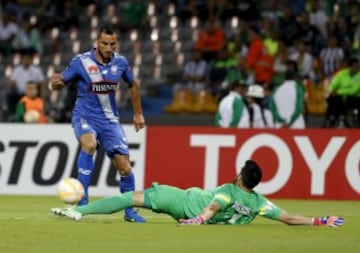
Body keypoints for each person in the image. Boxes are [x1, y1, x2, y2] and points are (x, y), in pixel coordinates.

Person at [51, 160, 344, 228]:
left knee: (130, 198)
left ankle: (80, 210)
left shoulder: (229, 190)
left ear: (242, 176)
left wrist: (199, 219)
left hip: (181, 201)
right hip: (190, 208)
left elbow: (215, 205)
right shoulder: (258, 203)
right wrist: (320, 221)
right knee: (132, 200)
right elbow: (289, 217)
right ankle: (81, 210)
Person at [48, 23, 146, 222]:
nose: (109, 48)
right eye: (104, 44)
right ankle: (82, 204)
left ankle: (130, 212)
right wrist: (54, 84)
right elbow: (59, 82)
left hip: (110, 121)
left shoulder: (121, 63)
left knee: (125, 168)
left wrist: (138, 114)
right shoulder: (80, 62)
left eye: (112, 44)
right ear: (97, 42)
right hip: (84, 116)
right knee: (89, 144)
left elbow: (133, 85)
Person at [268, 60, 306, 129]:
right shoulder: (298, 89)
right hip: (296, 126)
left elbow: (272, 107)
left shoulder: (276, 89)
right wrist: (289, 122)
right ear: (295, 76)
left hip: (280, 126)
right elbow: (299, 107)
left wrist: (281, 120)